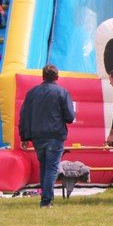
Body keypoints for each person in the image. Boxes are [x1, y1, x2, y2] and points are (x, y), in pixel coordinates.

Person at [18, 64, 76, 208]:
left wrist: (24, 136)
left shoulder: (32, 93)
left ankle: (45, 197)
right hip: (55, 135)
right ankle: (46, 201)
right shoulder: (62, 92)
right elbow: (69, 116)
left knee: (44, 166)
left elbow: (24, 115)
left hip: (38, 136)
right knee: (51, 167)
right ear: (57, 77)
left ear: (42, 77)